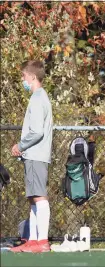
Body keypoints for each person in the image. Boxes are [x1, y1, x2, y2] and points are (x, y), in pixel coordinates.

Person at [10, 60, 53, 253]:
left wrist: (20, 145)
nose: (22, 80)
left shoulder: (37, 98)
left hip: (36, 154)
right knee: (33, 197)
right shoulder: (40, 97)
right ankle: (33, 240)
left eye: (24, 76)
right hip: (34, 155)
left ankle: (41, 241)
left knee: (39, 197)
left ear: (32, 77)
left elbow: (36, 132)